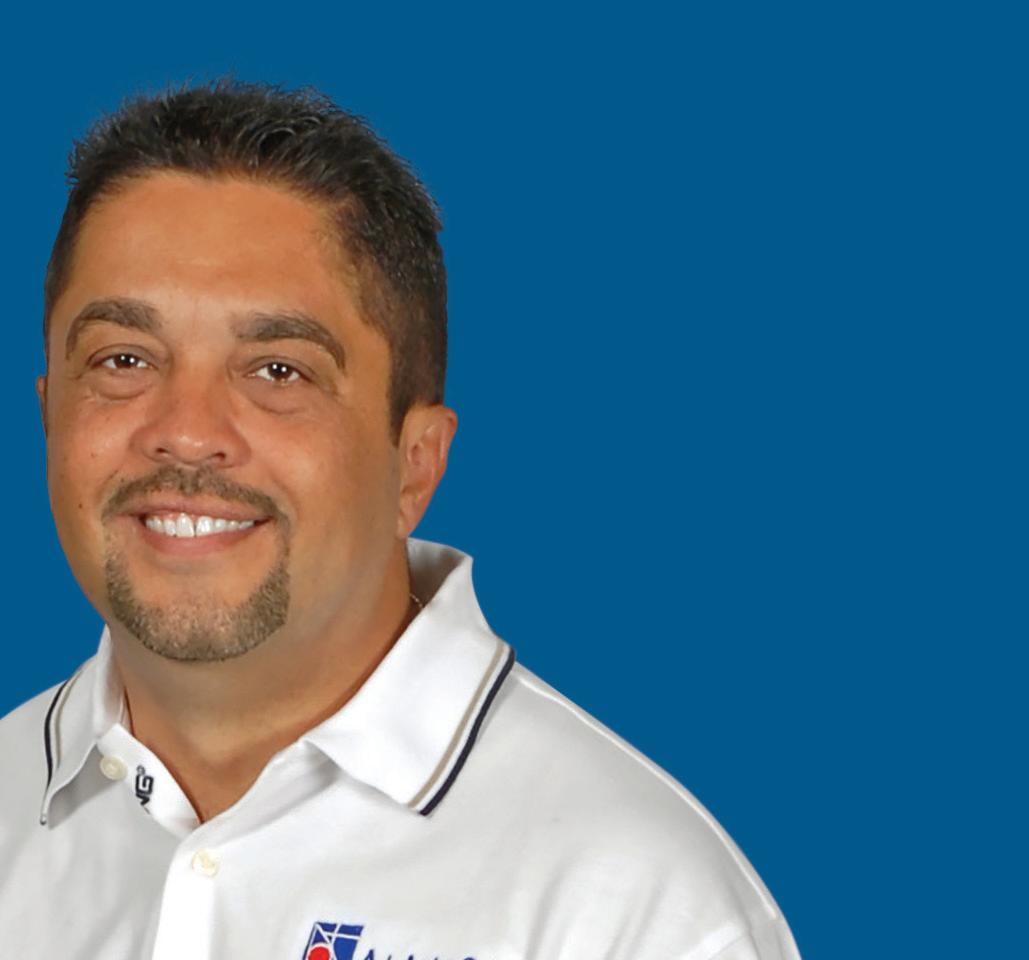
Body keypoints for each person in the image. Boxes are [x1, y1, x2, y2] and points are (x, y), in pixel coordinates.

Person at [0, 80, 800, 959]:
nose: (185, 432)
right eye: (123, 360)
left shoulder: (637, 910)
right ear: (49, 413)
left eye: (277, 371)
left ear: (415, 463)